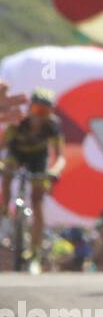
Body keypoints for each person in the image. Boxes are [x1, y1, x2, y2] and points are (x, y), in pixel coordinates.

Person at [1, 87, 66, 272]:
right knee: (7, 172)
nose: (40, 117)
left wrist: (55, 170)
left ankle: (35, 251)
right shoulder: (18, 122)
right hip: (17, 153)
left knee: (37, 201)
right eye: (37, 111)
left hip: (38, 158)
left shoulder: (53, 126)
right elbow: (2, 145)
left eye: (45, 112)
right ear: (30, 109)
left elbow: (60, 156)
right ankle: (5, 213)